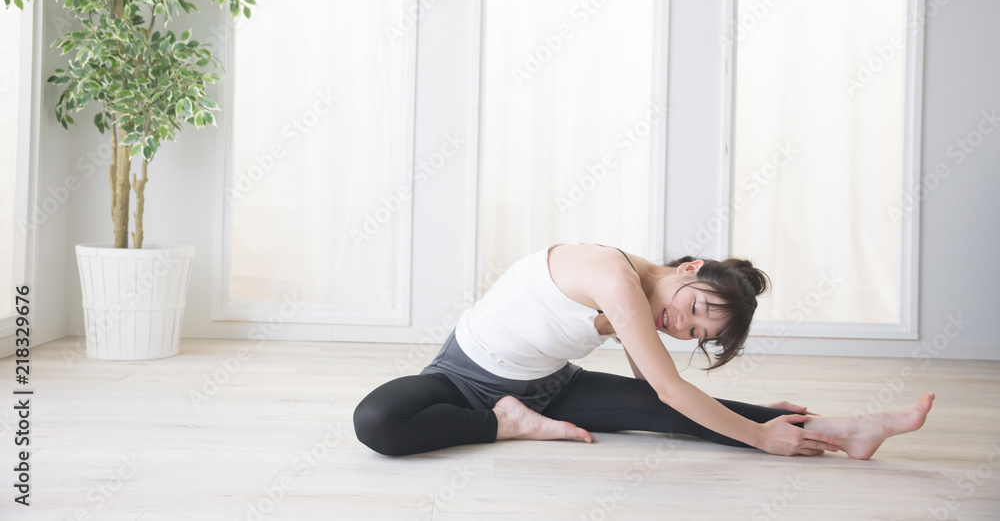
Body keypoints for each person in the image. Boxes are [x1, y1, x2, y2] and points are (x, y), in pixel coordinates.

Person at [354, 243, 933, 457]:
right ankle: (506, 426)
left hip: (551, 389)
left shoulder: (640, 291)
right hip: (459, 377)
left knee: (673, 410)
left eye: (696, 334)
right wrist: (757, 435)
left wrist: (750, 419)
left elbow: (659, 394)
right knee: (377, 422)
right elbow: (668, 387)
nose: (682, 326)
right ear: (690, 268)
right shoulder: (614, 276)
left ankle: (847, 430)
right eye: (696, 308)